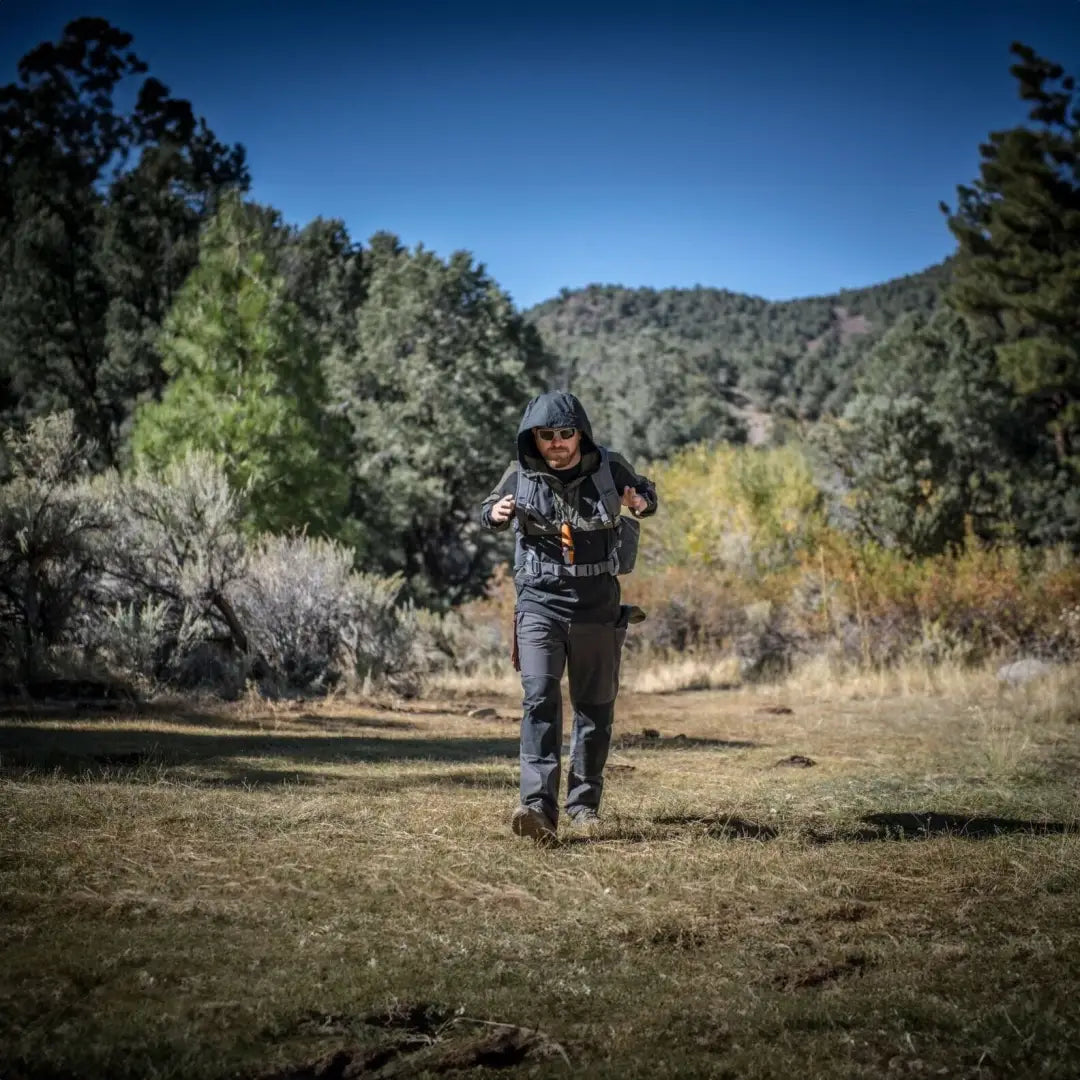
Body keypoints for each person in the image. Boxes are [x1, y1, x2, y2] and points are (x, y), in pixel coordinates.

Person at [480, 390, 658, 842]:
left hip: (597, 605)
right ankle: (536, 807)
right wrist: (496, 512)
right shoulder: (517, 475)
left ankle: (584, 805)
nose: (556, 442)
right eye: (546, 435)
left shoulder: (609, 466)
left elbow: (647, 493)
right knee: (538, 696)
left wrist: (640, 502)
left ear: (580, 434)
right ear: (533, 438)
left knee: (594, 709)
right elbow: (489, 509)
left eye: (564, 433)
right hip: (539, 602)